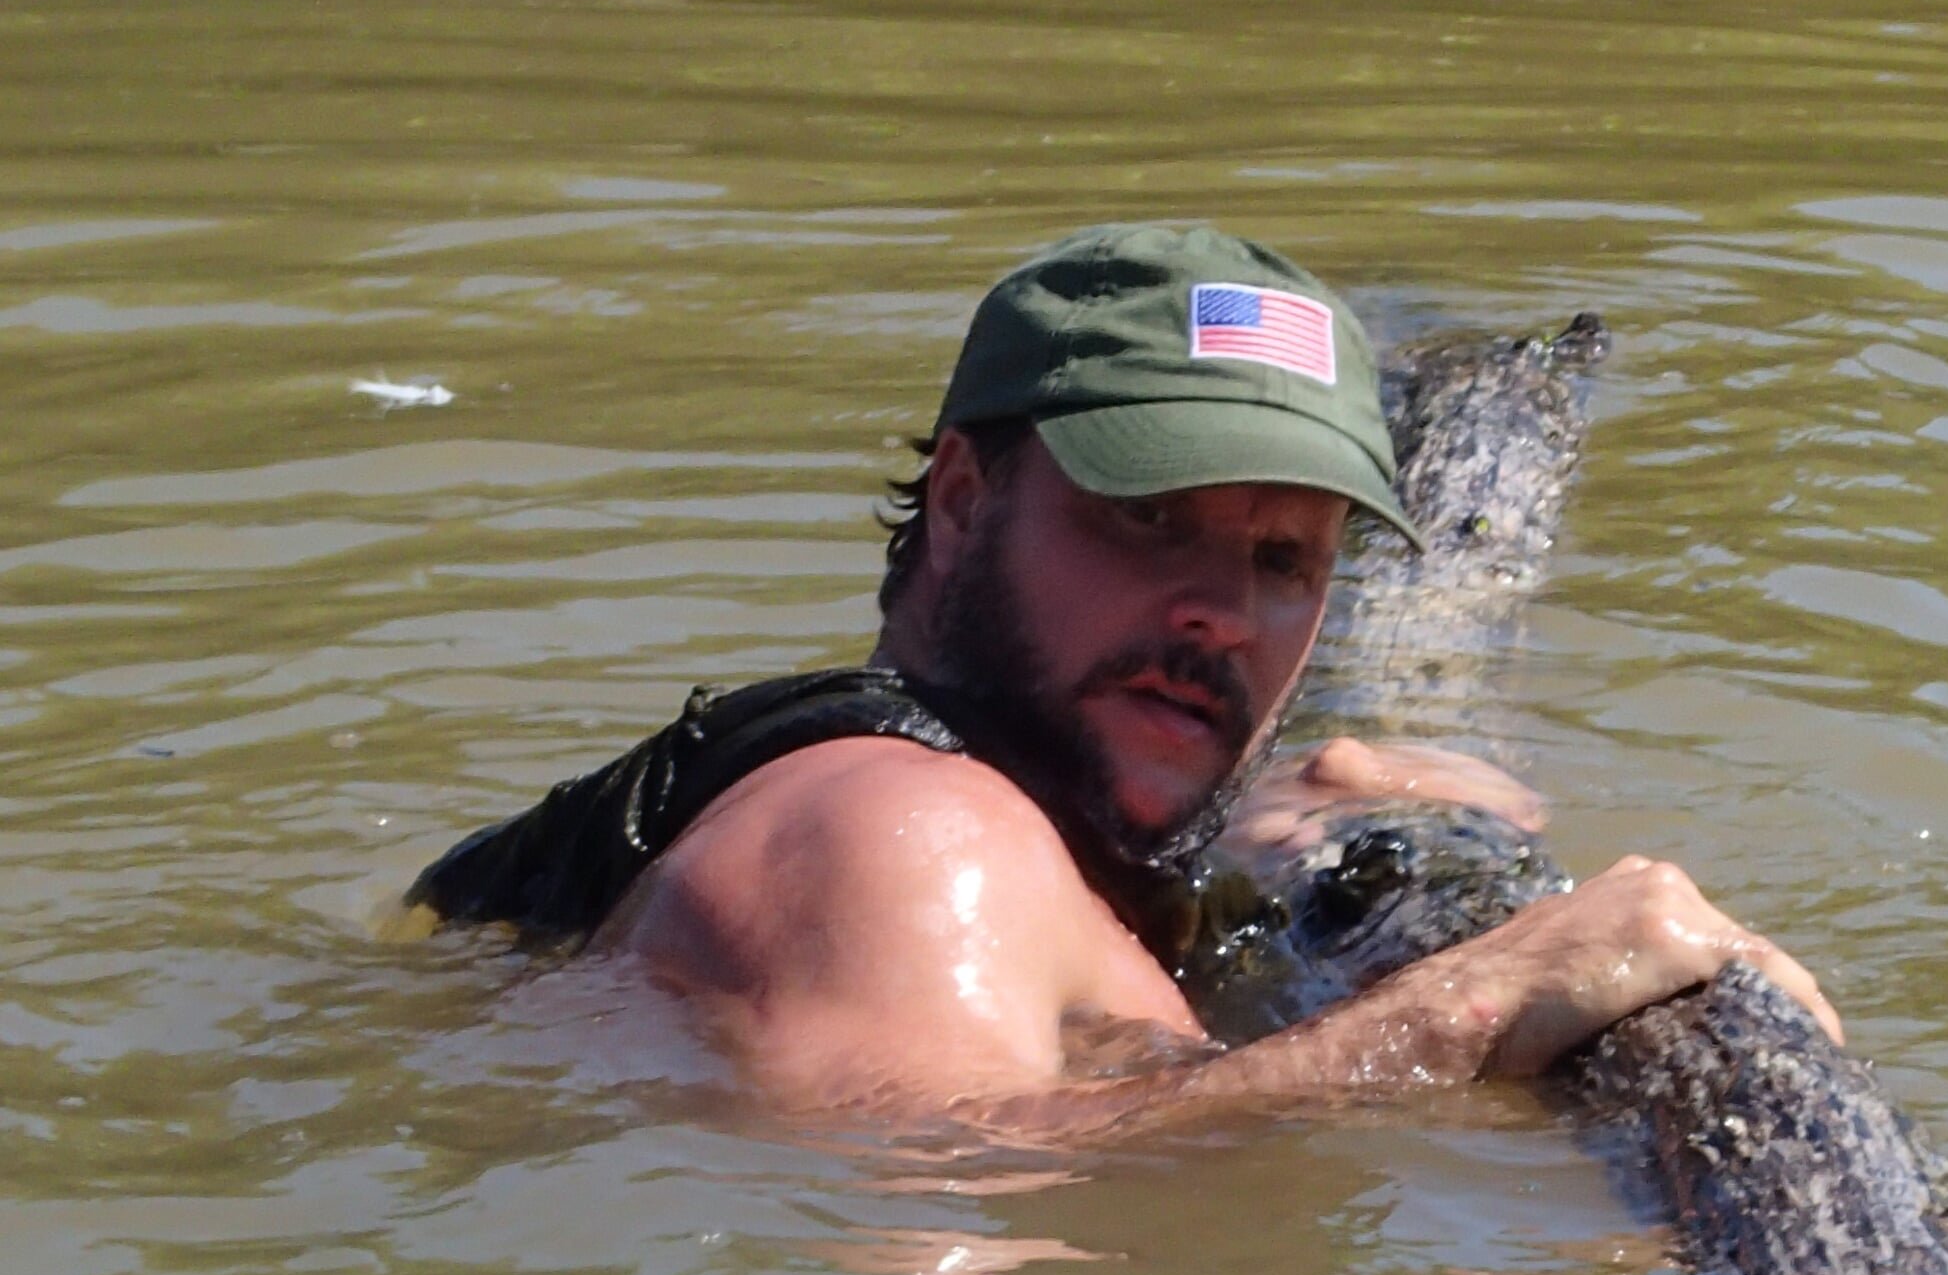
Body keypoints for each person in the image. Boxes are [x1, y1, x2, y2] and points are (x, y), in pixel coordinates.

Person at [409, 222, 1836, 1130]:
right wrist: (1479, 1000)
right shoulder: (905, 835)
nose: (1221, 614)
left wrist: (1260, 862)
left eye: (1285, 560)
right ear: (963, 500)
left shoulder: (977, 814)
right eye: (1150, 520)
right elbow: (939, 1195)